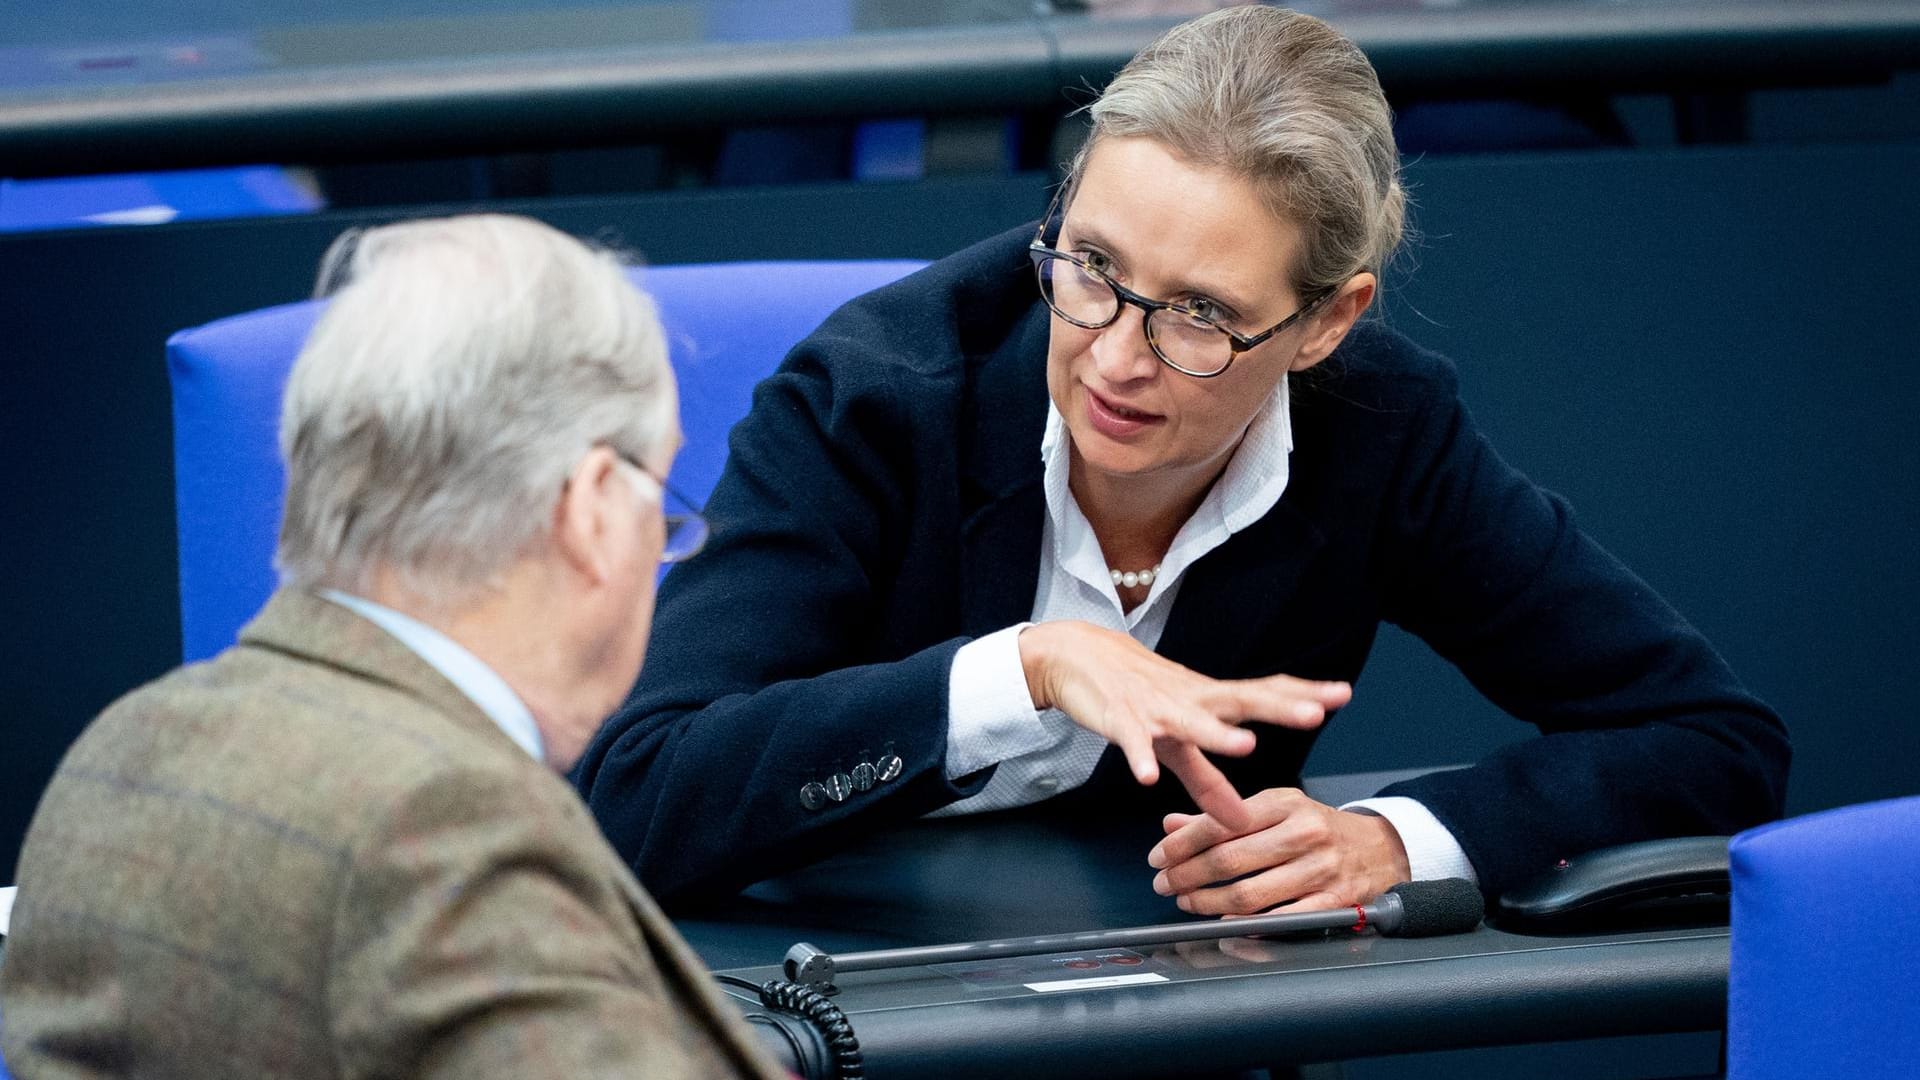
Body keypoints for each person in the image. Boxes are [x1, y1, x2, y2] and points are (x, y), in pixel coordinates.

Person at [574, 6, 1789, 916]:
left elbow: (1711, 739)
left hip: (1177, 1001)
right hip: (848, 991)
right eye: (1090, 265)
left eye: (1200, 314)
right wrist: (1023, 669)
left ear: (1326, 323)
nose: (1114, 354)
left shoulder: (1380, 429)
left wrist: (1396, 837)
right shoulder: (879, 398)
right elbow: (635, 795)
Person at [0, 215, 784, 1079]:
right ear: (593, 507)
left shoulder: (118, 751)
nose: (666, 547)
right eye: (662, 506)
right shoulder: (448, 832)